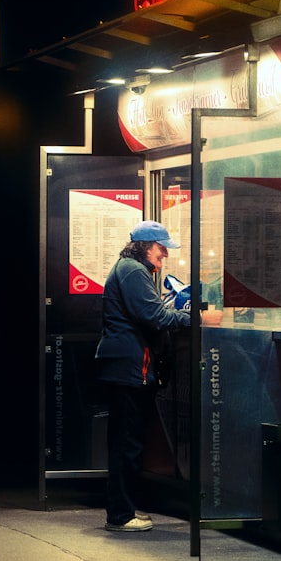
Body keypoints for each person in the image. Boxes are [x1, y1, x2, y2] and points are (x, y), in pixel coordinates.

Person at [95, 221, 191, 532]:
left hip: (124, 366)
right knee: (128, 443)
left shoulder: (128, 269)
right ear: (143, 246)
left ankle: (121, 510)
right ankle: (121, 515)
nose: (165, 252)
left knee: (125, 442)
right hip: (130, 369)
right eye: (160, 246)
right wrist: (198, 317)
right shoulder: (133, 271)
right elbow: (154, 316)